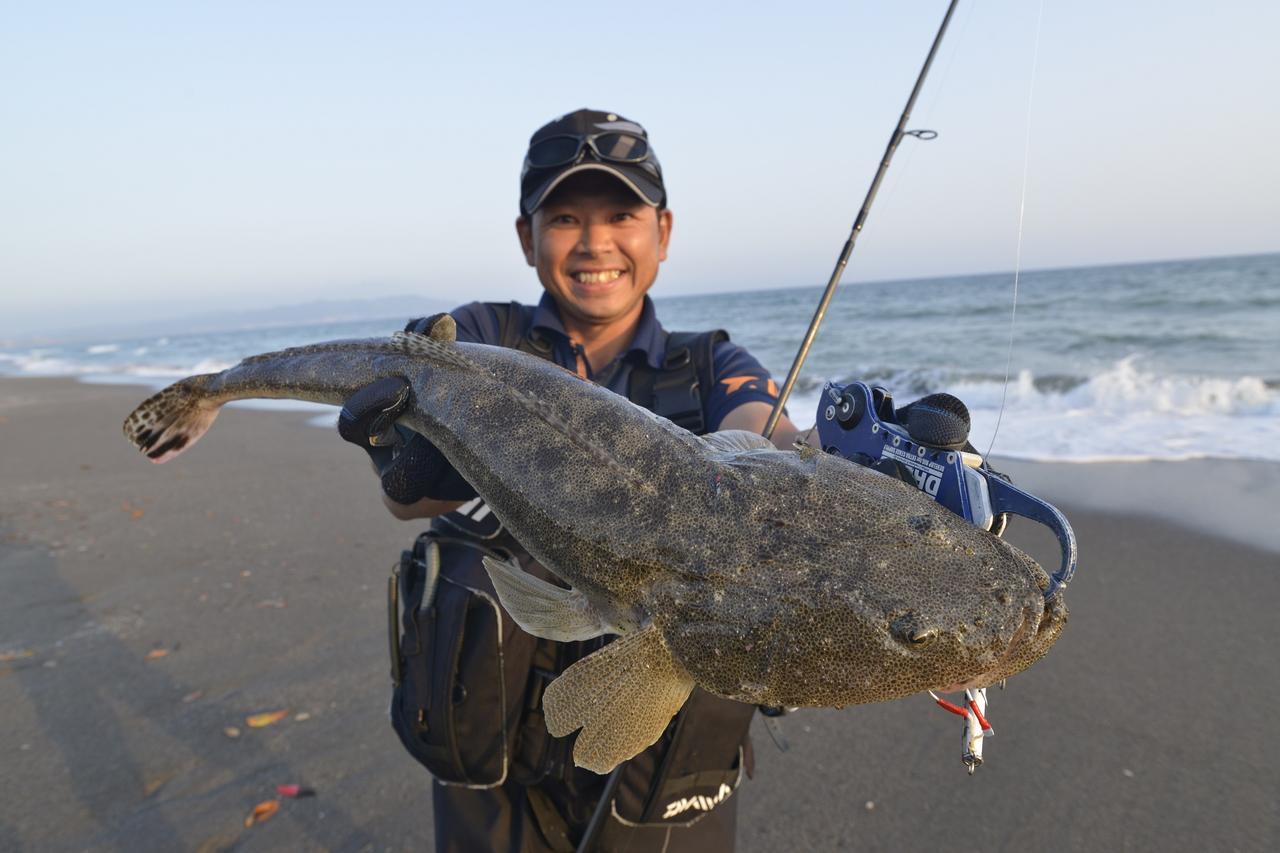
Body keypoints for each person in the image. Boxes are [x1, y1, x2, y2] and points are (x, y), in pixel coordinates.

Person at [339, 108, 805, 852]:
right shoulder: (483, 340)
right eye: (563, 217)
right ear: (527, 237)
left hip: (660, 773)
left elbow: (768, 433)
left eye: (621, 213)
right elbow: (405, 499)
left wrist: (849, 451)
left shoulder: (712, 363)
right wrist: (404, 451)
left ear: (664, 230)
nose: (595, 242)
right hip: (491, 743)